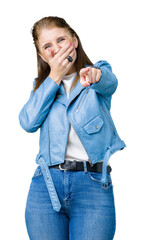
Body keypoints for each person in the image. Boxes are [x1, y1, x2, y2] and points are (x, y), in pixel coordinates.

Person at [18, 16, 126, 240]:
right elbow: (28, 122)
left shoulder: (96, 73)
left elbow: (110, 83)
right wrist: (54, 76)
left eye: (61, 40)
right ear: (41, 55)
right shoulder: (42, 87)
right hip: (46, 186)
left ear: (74, 41)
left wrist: (96, 76)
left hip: (93, 185)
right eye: (47, 46)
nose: (56, 49)